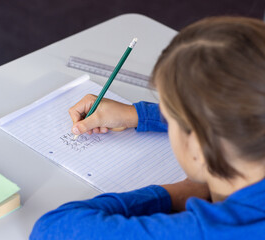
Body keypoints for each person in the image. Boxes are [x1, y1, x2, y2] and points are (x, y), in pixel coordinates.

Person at [30, 16, 265, 239]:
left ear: (198, 147)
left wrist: (176, 193)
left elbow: (53, 229)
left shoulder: (207, 230)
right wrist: (138, 114)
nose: (165, 119)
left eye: (170, 118)